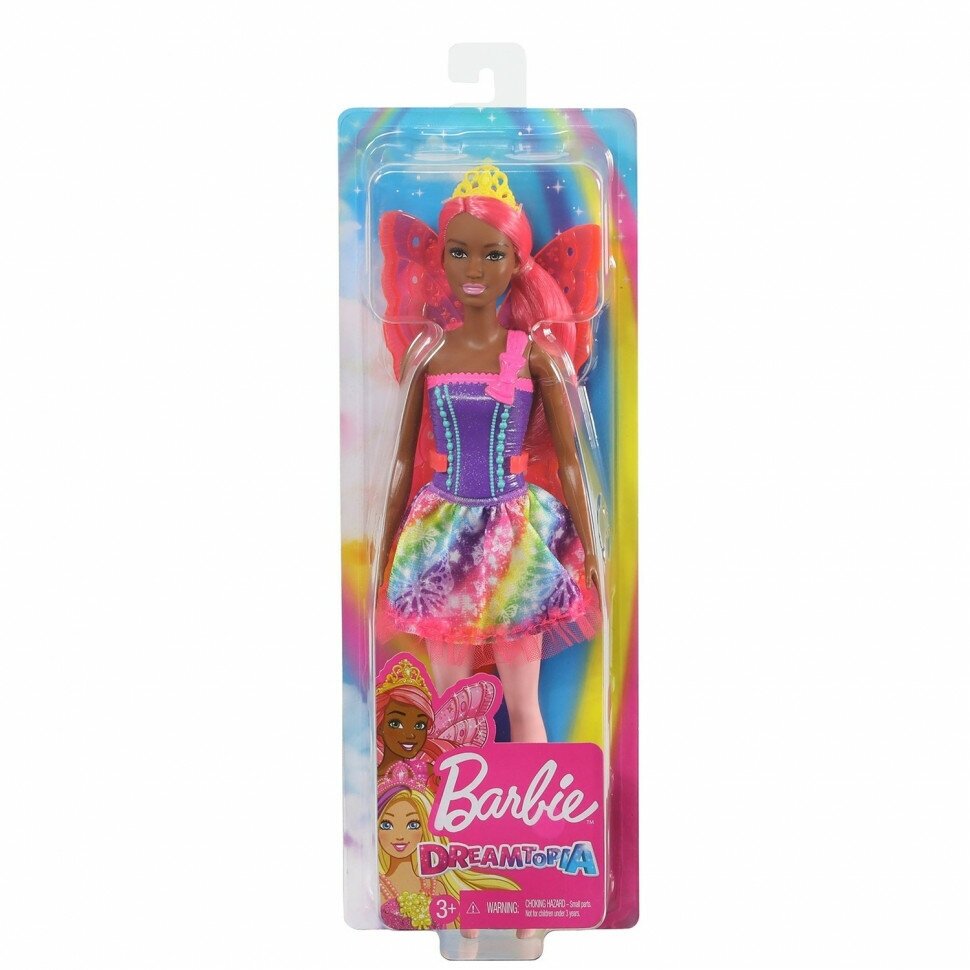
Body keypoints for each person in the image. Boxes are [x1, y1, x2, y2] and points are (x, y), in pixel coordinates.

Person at [377, 162, 602, 743]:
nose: (474, 270)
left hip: (515, 534)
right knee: (450, 702)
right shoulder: (429, 354)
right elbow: (401, 460)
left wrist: (593, 546)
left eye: (492, 255)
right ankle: (449, 798)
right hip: (442, 536)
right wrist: (385, 544)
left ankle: (537, 798)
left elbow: (572, 462)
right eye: (459, 253)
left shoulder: (534, 355)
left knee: (524, 703)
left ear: (516, 261)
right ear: (442, 258)